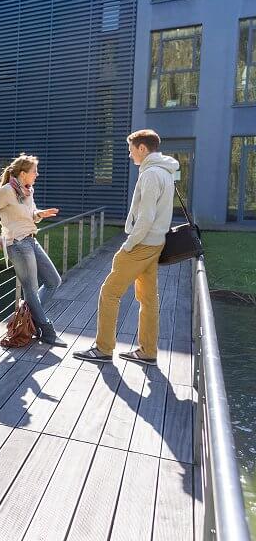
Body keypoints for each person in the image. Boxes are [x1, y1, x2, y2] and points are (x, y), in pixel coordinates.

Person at [74, 129, 177, 366]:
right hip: (156, 243)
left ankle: (103, 348)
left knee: (109, 292)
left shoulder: (151, 174)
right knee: (149, 299)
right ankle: (148, 351)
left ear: (142, 148)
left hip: (141, 244)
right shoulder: (166, 172)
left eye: (131, 150)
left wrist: (128, 244)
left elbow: (146, 217)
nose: (129, 155)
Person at [0, 154, 64, 346]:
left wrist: (39, 214)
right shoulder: (5, 191)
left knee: (53, 280)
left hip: (31, 240)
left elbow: (30, 214)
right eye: (34, 171)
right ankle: (47, 331)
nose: (37, 174)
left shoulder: (27, 190)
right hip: (17, 244)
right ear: (23, 173)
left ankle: (29, 320)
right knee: (31, 289)